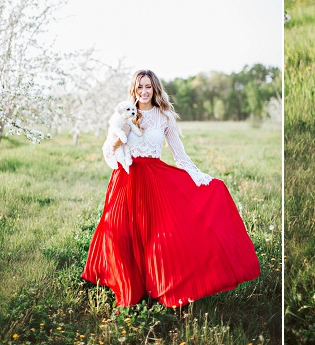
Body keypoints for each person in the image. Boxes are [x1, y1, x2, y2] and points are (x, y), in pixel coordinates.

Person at [82, 69, 260, 307]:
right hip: (125, 179)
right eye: (139, 87)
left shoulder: (164, 117)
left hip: (154, 181)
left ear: (155, 89)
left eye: (148, 87)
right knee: (121, 235)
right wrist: (120, 136)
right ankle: (127, 286)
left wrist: (200, 178)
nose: (144, 92)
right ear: (133, 89)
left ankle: (160, 285)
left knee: (158, 238)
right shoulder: (123, 115)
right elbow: (107, 152)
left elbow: (180, 155)